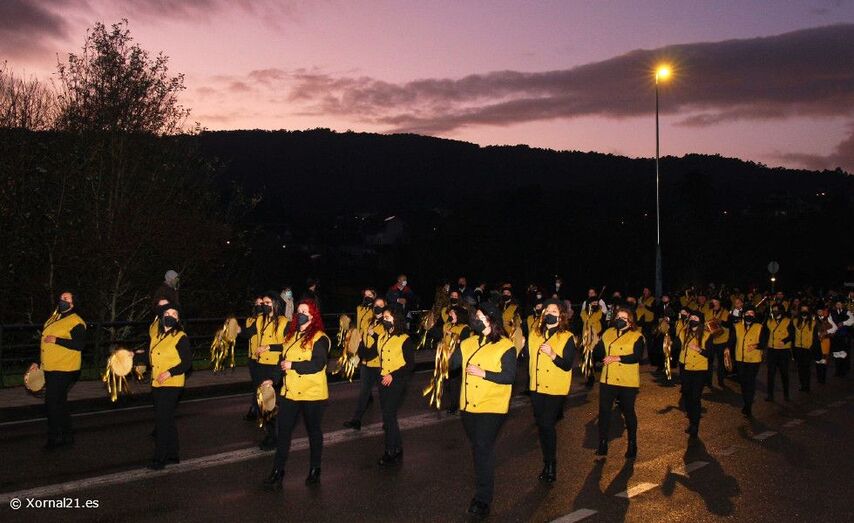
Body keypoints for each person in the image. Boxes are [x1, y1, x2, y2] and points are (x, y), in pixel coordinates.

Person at [448, 302, 517, 518]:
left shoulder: (506, 346)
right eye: (475, 316)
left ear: (492, 320)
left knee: (482, 447)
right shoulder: (467, 342)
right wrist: (446, 353)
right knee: (478, 449)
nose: (475, 320)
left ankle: (483, 499)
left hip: (492, 406)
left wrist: (483, 373)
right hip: (469, 405)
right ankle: (482, 487)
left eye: (480, 316)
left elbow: (509, 376)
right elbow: (452, 365)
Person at [263, 300, 330, 489]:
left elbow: (318, 364)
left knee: (313, 431)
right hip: (290, 392)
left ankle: (315, 469)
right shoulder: (290, 336)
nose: (300, 314)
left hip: (312, 393)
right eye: (298, 311)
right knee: (283, 432)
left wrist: (294, 365)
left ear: (313, 316)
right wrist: (272, 380)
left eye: (305, 311)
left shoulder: (320, 338)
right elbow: (282, 361)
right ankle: (277, 472)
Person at [526, 299, 576, 483]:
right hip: (537, 387)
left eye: (554, 311)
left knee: (547, 424)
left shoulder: (567, 337)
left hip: (555, 388)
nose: (549, 313)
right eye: (547, 310)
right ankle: (547, 462)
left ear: (561, 316)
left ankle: (551, 465)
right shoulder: (535, 334)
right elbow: (527, 356)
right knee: (542, 426)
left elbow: (567, 364)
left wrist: (553, 354)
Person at [361, 307, 415, 465]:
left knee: (388, 416)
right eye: (384, 317)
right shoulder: (383, 337)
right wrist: (356, 348)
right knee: (389, 415)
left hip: (397, 381)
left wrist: (393, 375)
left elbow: (410, 364)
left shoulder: (404, 339)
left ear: (395, 319)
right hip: (383, 380)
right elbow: (372, 353)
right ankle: (397, 446)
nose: (384, 320)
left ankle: (390, 451)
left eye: (387, 317)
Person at [37, 291, 86, 450]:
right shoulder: (55, 317)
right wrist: (37, 363)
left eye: (66, 298)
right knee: (60, 403)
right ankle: (67, 435)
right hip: (51, 366)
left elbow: (79, 345)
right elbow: (44, 342)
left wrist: (57, 340)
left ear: (73, 303)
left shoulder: (76, 321)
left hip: (65, 368)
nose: (62, 300)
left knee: (51, 402)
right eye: (61, 298)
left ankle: (54, 437)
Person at [239, 292, 289, 449]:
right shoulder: (260, 320)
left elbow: (287, 345)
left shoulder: (284, 322)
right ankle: (270, 434)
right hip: (260, 365)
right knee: (262, 402)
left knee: (270, 403)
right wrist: (236, 330)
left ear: (276, 304)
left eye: (268, 303)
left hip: (274, 367)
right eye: (263, 303)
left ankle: (274, 438)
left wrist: (269, 347)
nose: (264, 306)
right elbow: (249, 333)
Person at [593, 307, 644, 459]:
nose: (619, 320)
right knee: (604, 412)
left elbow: (637, 356)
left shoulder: (637, 336)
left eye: (623, 318)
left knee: (628, 412)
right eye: (618, 317)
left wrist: (616, 358)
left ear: (630, 321)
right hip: (608, 379)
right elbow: (599, 353)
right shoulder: (608, 332)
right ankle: (602, 443)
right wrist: (593, 346)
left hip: (627, 380)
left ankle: (632, 444)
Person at [147, 304, 192, 470]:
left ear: (178, 319)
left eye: (174, 314)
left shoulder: (181, 337)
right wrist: (133, 356)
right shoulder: (157, 336)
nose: (170, 316)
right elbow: (150, 357)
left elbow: (187, 363)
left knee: (162, 421)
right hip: (156, 383)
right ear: (162, 316)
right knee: (167, 418)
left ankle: (160, 458)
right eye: (167, 313)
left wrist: (170, 372)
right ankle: (173, 454)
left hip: (172, 384)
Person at [343, 296, 386, 430]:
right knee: (364, 394)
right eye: (376, 305)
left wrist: (373, 336)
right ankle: (356, 420)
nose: (377, 308)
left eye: (381, 305)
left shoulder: (386, 324)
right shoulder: (368, 322)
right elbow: (360, 339)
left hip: (379, 365)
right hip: (366, 364)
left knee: (384, 395)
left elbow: (381, 344)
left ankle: (388, 421)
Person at [673, 311, 711, 437]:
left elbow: (710, 354)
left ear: (700, 321)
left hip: (700, 370)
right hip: (685, 368)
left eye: (696, 318)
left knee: (695, 398)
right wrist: (668, 343)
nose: (693, 319)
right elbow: (676, 345)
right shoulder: (683, 332)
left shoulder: (706, 335)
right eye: (692, 317)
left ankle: (695, 425)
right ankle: (691, 420)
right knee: (687, 396)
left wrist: (699, 349)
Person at [730, 306, 766, 417]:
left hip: (753, 360)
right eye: (747, 313)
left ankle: (748, 406)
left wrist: (756, 346)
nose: (749, 315)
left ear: (754, 316)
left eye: (752, 313)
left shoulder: (759, 327)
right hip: (740, 359)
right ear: (743, 315)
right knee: (743, 382)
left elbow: (763, 342)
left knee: (750, 382)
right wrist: (726, 348)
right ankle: (747, 401)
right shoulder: (737, 326)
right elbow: (732, 340)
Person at [442, 305, 472, 414]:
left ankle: (455, 406)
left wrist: (453, 335)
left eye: (452, 313)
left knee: (454, 382)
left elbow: (465, 342)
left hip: (457, 358)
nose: (450, 314)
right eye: (450, 313)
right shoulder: (447, 325)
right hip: (446, 357)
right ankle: (453, 403)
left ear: (458, 315)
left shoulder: (465, 327)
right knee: (447, 382)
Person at [764, 303, 794, 401]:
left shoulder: (788, 321)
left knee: (784, 373)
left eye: (777, 310)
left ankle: (786, 394)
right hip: (772, 350)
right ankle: (770, 395)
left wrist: (784, 341)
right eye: (773, 310)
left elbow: (792, 335)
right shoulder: (769, 321)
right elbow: (765, 334)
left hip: (783, 351)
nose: (775, 312)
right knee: (770, 374)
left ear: (781, 311)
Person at [243, 297, 264, 421]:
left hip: (262, 358)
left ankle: (255, 409)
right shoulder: (250, 320)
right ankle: (257, 408)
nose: (259, 306)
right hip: (252, 357)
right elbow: (248, 334)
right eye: (257, 304)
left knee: (258, 385)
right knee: (256, 385)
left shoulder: (265, 321)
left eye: (262, 303)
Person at [793, 305, 820, 392]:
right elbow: (792, 334)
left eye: (806, 309)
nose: (804, 311)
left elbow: (815, 337)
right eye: (802, 309)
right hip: (798, 347)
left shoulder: (813, 323)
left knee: (806, 368)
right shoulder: (795, 321)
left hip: (808, 348)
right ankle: (802, 385)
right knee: (800, 368)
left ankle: (807, 385)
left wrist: (813, 347)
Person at [706, 298, 731, 388]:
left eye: (716, 301)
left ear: (719, 302)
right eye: (712, 302)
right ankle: (708, 381)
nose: (714, 303)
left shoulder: (726, 313)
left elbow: (729, 325)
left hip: (722, 340)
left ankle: (721, 381)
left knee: (721, 362)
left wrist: (721, 322)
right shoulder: (708, 312)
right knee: (709, 361)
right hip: (710, 340)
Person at [829, 299, 853, 377]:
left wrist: (844, 323)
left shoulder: (847, 312)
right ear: (835, 305)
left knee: (844, 353)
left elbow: (852, 320)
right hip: (836, 335)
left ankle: (843, 371)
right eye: (837, 304)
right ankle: (837, 371)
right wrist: (832, 331)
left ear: (842, 305)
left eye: (840, 304)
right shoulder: (832, 313)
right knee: (836, 353)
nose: (838, 305)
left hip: (844, 335)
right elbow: (830, 322)